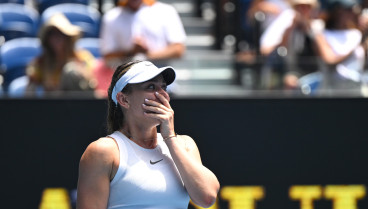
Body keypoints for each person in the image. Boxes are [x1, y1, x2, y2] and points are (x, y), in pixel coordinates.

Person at [77, 60, 220, 209]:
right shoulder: (104, 151)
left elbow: (207, 198)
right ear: (124, 100)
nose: (162, 95)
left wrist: (170, 137)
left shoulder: (185, 144)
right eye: (151, 87)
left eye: (164, 87)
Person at [93, 0, 187, 98]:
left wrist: (147, 54)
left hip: (161, 78)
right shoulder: (112, 16)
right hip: (126, 81)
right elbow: (107, 56)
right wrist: (132, 52)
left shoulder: (166, 11)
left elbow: (178, 50)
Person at [26, 13, 96, 95]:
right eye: (52, 34)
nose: (57, 38)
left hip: (79, 103)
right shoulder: (40, 63)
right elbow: (30, 90)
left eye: (61, 34)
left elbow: (93, 83)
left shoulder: (82, 58)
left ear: (67, 38)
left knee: (70, 71)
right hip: (54, 105)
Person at [258, 0, 322, 90]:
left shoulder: (318, 25)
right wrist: (289, 30)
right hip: (290, 73)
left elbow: (322, 54)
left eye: (307, 7)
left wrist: (308, 29)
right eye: (299, 7)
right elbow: (266, 49)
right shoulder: (287, 21)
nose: (303, 10)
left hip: (315, 75)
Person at [312, 0, 365, 93]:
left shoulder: (356, 34)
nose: (352, 12)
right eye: (347, 10)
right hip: (333, 91)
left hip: (355, 89)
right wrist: (355, 47)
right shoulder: (322, 35)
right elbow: (329, 60)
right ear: (336, 12)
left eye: (352, 10)